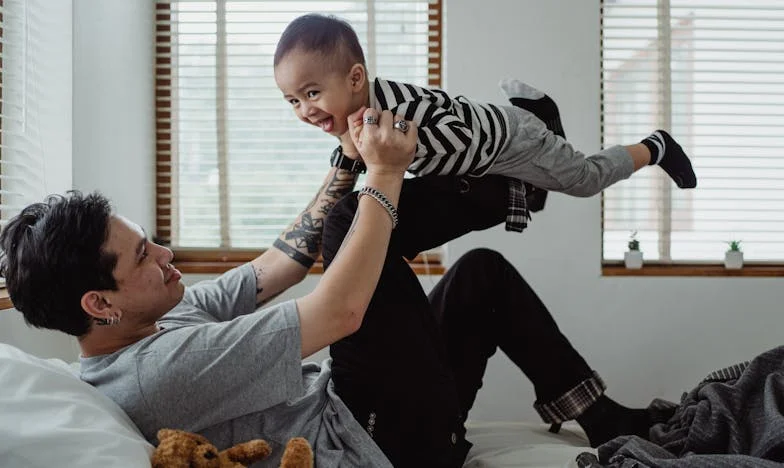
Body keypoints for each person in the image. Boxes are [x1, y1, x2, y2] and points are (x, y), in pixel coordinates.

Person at [0, 108, 666, 468]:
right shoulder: (153, 373)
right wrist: (384, 172)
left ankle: (601, 415)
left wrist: (346, 164)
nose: (168, 255)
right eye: (145, 255)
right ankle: (514, 188)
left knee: (479, 276)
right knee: (356, 220)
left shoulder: (157, 319)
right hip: (379, 441)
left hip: (398, 421)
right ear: (99, 303)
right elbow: (340, 311)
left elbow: (280, 265)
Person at [273, 13, 698, 233]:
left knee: (583, 180)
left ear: (355, 78)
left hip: (510, 140)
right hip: (503, 130)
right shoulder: (358, 120)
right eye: (293, 100)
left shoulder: (395, 114)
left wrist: (404, 156)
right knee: (538, 191)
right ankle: (537, 112)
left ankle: (655, 146)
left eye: (312, 93)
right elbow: (355, 162)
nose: (304, 110)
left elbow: (461, 137)